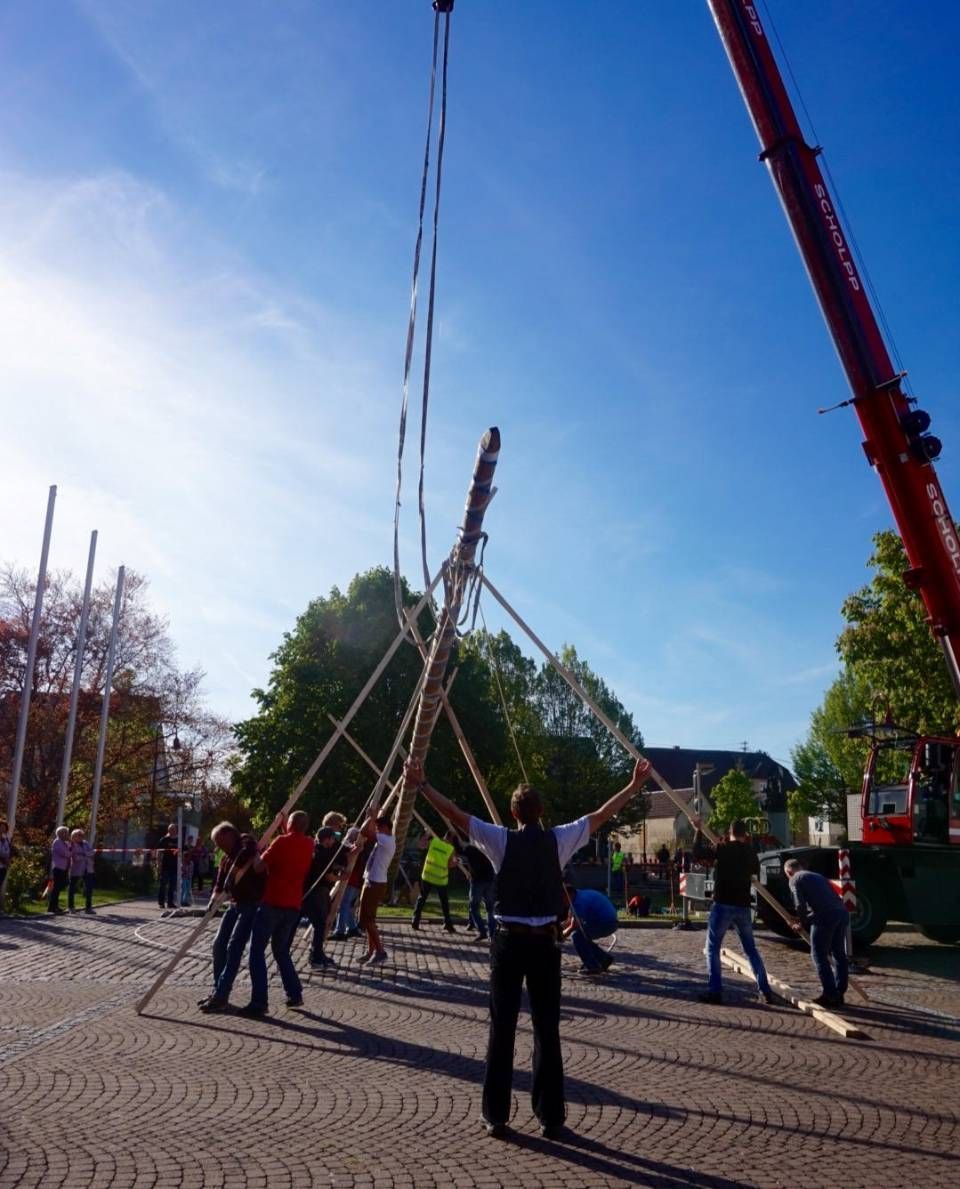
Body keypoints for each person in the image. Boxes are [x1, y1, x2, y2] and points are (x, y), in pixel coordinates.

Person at [407, 752, 651, 1141]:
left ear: (513, 812)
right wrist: (634, 786)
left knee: (502, 1028)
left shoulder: (501, 839)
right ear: (541, 812)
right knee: (546, 1029)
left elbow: (456, 814)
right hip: (544, 944)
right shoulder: (559, 838)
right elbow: (602, 814)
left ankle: (496, 1115)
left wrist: (422, 786)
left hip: (509, 942)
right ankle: (550, 1116)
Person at [239, 810, 315, 1017]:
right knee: (281, 951)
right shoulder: (309, 844)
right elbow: (292, 842)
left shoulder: (281, 843)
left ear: (290, 825)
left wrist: (258, 852)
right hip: (293, 906)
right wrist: (286, 826)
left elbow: (258, 867)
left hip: (273, 902)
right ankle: (295, 993)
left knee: (256, 951)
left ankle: (259, 1001)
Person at [692, 818, 773, 1006]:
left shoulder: (723, 848)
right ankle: (765, 990)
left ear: (730, 832)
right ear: (745, 834)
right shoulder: (751, 852)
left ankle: (715, 991)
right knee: (751, 949)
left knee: (712, 949)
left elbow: (698, 853)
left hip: (723, 904)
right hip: (743, 906)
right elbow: (754, 870)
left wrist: (698, 830)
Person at [199, 822, 266, 1013]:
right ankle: (217, 990)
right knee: (219, 944)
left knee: (234, 947)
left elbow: (249, 851)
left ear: (230, 835)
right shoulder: (226, 858)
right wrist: (214, 898)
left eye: (221, 842)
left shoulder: (246, 842)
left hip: (252, 905)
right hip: (235, 905)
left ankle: (221, 995)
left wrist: (234, 873)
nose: (219, 847)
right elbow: (220, 882)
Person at [784, 858, 849, 1008]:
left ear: (789, 871)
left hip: (825, 917)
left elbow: (799, 904)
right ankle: (839, 993)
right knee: (838, 953)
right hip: (841, 913)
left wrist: (801, 923)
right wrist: (805, 919)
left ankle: (830, 995)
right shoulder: (817, 876)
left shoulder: (794, 879)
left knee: (818, 954)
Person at [358, 811, 395, 967]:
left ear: (386, 827)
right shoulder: (385, 839)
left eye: (379, 826)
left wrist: (371, 818)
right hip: (372, 880)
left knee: (367, 919)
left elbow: (364, 832)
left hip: (375, 882)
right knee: (366, 919)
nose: (377, 829)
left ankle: (380, 951)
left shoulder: (386, 839)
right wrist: (371, 818)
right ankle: (372, 951)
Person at [302, 826, 341, 967]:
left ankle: (317, 953)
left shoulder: (316, 849)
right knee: (319, 925)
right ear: (327, 839)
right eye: (332, 838)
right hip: (316, 892)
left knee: (318, 924)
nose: (334, 841)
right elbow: (328, 876)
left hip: (311, 891)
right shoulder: (322, 853)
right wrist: (341, 878)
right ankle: (316, 957)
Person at [563, 883, 618, 975]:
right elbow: (569, 921)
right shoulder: (577, 896)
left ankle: (593, 966)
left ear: (568, 894)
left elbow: (573, 926)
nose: (561, 901)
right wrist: (555, 927)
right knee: (583, 936)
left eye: (562, 898)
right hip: (605, 921)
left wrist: (558, 936)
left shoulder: (580, 902)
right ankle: (604, 959)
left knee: (577, 936)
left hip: (607, 923)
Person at [452, 832, 496, 942]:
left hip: (478, 881)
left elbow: (459, 851)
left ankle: (482, 931)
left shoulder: (470, 849)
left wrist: (454, 838)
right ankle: (492, 934)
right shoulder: (487, 848)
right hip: (490, 879)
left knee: (474, 907)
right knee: (490, 909)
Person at [411, 831, 456, 933]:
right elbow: (450, 865)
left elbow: (420, 846)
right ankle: (448, 924)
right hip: (440, 879)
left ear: (445, 835)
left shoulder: (434, 841)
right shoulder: (451, 849)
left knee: (421, 899)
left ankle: (415, 920)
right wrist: (455, 863)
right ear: (451, 840)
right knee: (444, 902)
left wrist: (426, 834)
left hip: (427, 876)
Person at [331, 828, 367, 939]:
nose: (348, 837)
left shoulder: (358, 848)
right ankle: (352, 928)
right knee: (347, 905)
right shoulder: (355, 847)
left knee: (344, 905)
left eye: (351, 835)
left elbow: (350, 857)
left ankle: (340, 931)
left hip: (352, 880)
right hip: (353, 881)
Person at [68, 828, 96, 913]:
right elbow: (75, 857)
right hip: (77, 868)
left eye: (82, 835)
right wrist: (85, 855)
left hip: (88, 868)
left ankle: (88, 908)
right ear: (74, 836)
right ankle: (71, 907)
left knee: (89, 888)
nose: (81, 837)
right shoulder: (71, 845)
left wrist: (84, 854)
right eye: (79, 835)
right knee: (72, 888)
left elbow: (92, 852)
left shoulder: (85, 843)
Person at [47, 827, 71, 914]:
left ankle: (55, 906)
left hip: (64, 867)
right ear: (60, 833)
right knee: (56, 888)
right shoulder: (57, 842)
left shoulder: (65, 843)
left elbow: (70, 851)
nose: (66, 835)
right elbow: (64, 853)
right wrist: (70, 853)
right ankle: (52, 907)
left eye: (67, 833)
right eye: (64, 833)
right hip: (58, 867)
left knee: (59, 887)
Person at [155, 823, 179, 910]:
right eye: (171, 829)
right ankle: (161, 902)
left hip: (175, 866)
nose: (173, 831)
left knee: (172, 886)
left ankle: (170, 902)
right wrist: (158, 863)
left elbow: (184, 851)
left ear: (176, 830)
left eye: (174, 829)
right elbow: (159, 851)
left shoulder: (179, 840)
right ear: (168, 830)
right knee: (163, 885)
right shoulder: (164, 839)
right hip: (165, 865)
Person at [0, 819, 14, 914]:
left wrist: (8, 858)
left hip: (3, 866)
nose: (2, 829)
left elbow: (8, 851)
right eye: (1, 827)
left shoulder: (6, 839)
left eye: (4, 828)